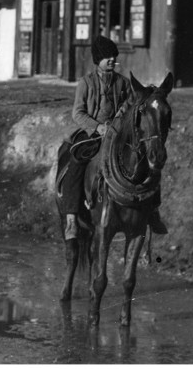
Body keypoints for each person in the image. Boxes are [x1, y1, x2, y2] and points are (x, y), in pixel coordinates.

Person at [60, 35, 168, 240]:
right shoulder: (86, 83)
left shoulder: (124, 83)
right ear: (97, 59)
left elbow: (132, 107)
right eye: (107, 57)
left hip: (119, 134)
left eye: (113, 56)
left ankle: (153, 212)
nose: (111, 60)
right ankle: (72, 217)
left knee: (148, 162)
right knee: (76, 161)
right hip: (93, 133)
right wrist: (98, 127)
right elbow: (78, 113)